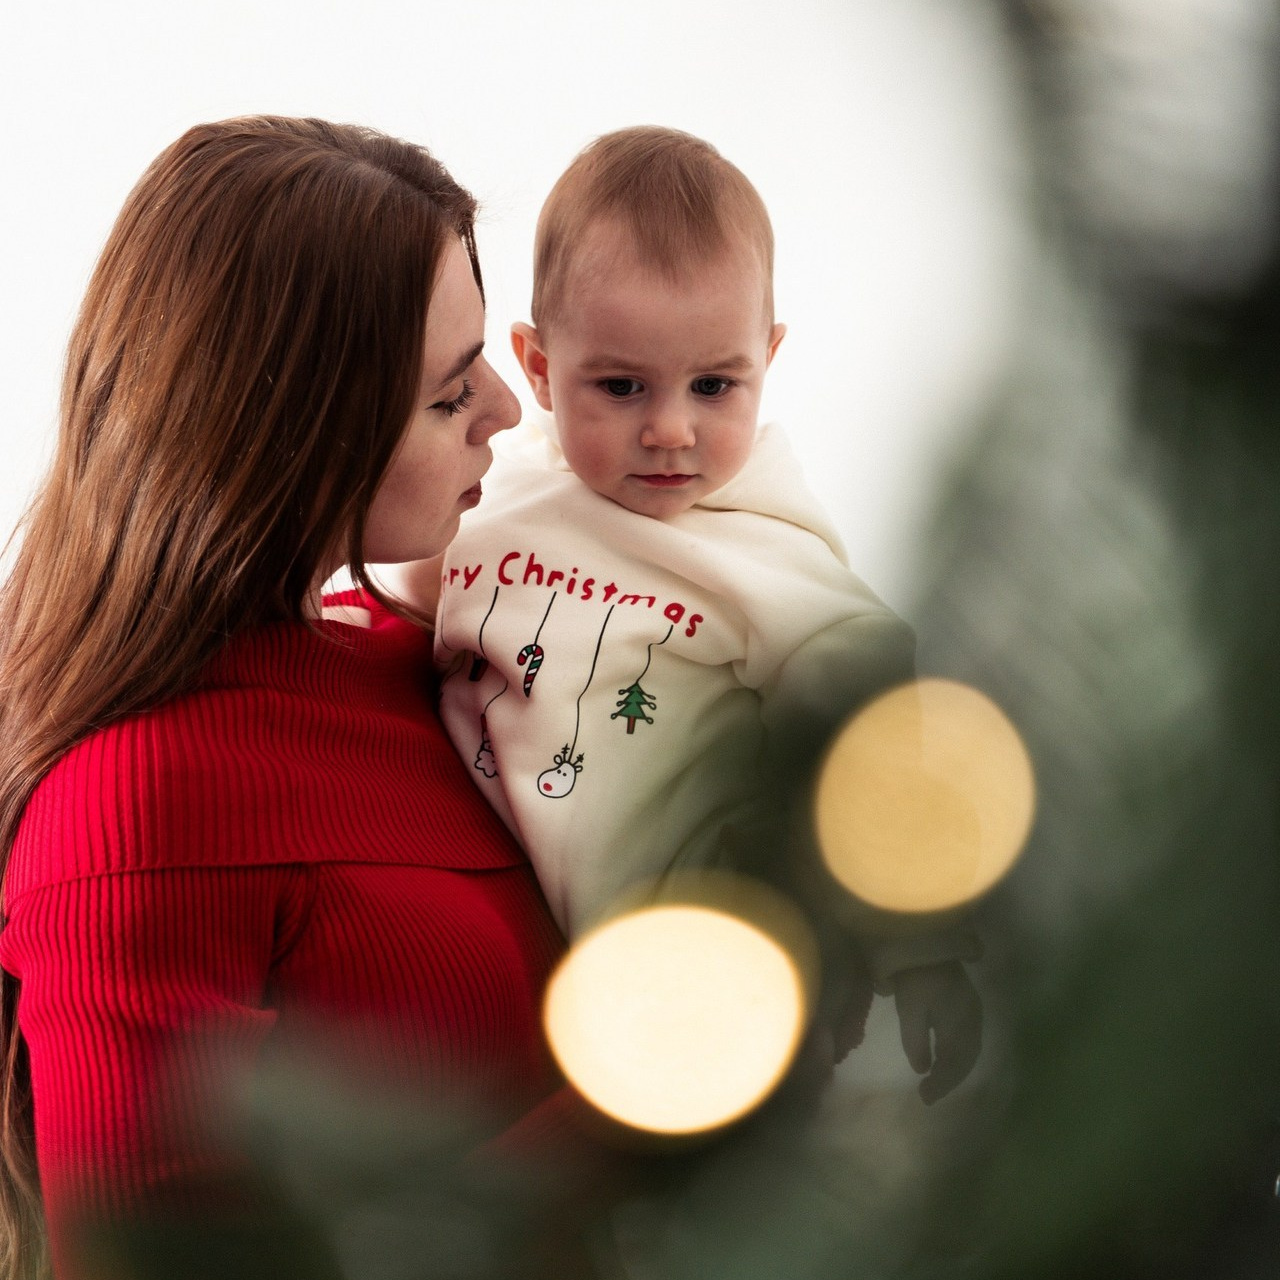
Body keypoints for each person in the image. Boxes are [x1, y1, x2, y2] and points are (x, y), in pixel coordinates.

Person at [0, 116, 592, 1280]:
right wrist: (644, 1111)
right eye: (441, 395)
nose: (506, 409)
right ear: (289, 437)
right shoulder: (136, 811)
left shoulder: (430, 657)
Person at [401, 126, 981, 1101]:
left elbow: (876, 734)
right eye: (620, 386)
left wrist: (919, 946)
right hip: (554, 968)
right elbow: (409, 602)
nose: (670, 429)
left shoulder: (762, 548)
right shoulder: (497, 502)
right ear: (538, 370)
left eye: (714, 385)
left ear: (766, 357)